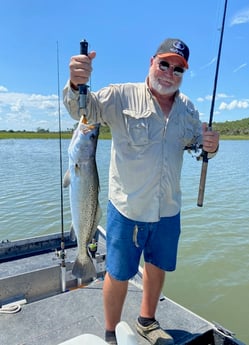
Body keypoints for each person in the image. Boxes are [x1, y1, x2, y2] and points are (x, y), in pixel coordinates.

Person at [63, 38, 219, 345]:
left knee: (157, 266)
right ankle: (110, 333)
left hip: (168, 208)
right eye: (164, 64)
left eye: (178, 69)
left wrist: (211, 147)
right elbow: (82, 111)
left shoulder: (188, 109)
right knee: (119, 273)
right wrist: (75, 83)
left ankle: (147, 321)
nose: (169, 73)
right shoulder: (120, 95)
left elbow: (198, 146)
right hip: (127, 208)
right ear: (152, 62)